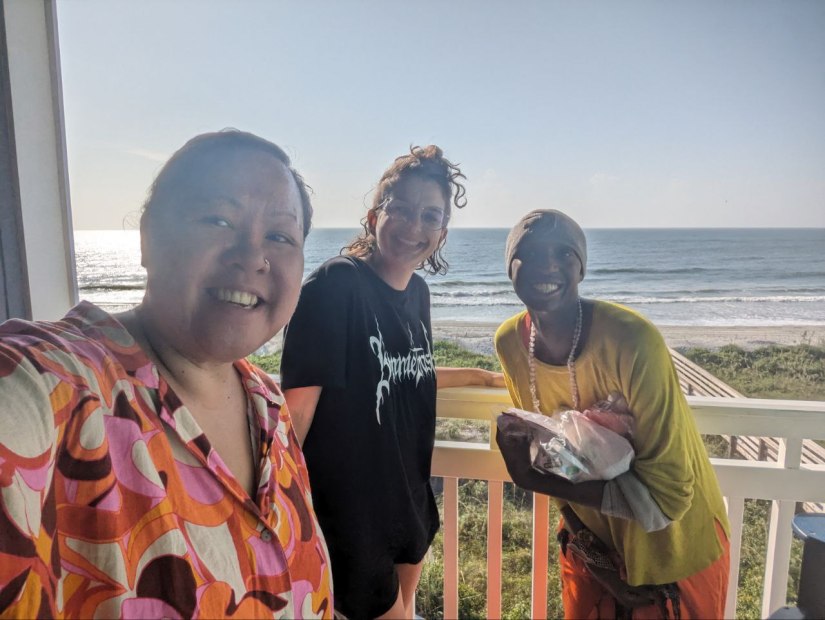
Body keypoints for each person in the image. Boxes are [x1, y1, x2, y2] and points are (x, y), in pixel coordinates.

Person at [0, 131, 333, 618]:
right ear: (148, 239)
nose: (252, 256)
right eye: (218, 219)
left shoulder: (268, 406)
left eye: (280, 236)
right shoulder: (55, 387)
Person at [281, 146, 503, 619]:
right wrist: (276, 507)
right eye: (399, 209)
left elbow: (405, 374)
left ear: (443, 232)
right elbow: (296, 409)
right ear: (373, 215)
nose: (413, 226)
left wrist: (480, 376)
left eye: (430, 216)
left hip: (409, 502)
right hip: (351, 517)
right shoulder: (336, 286)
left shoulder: (418, 293)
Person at [494, 209, 730, 619]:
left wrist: (529, 479)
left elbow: (669, 498)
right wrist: (593, 555)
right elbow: (554, 456)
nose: (546, 264)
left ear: (581, 267)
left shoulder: (632, 340)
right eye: (528, 253)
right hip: (589, 549)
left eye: (563, 252)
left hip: (672, 553)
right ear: (510, 268)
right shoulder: (511, 343)